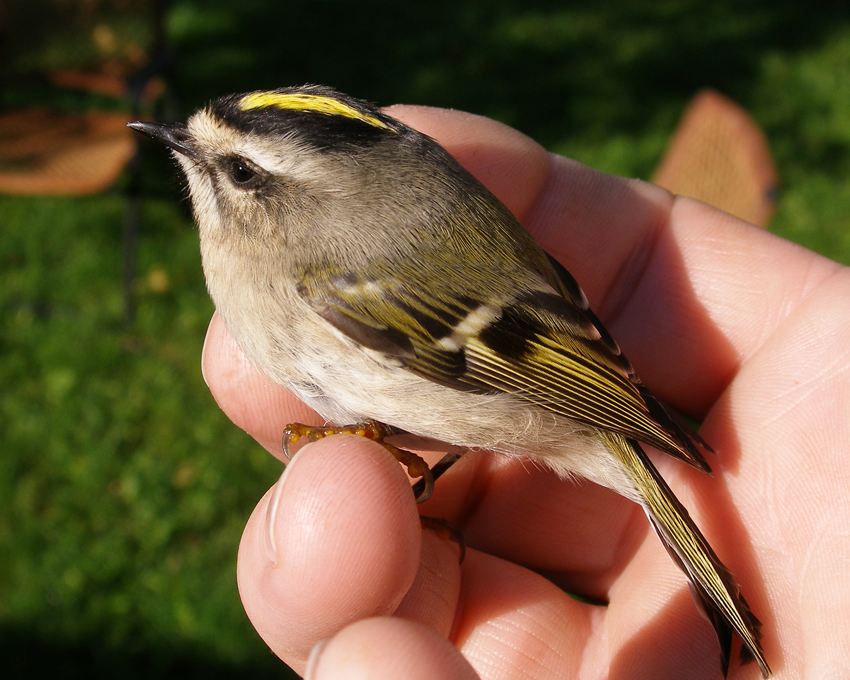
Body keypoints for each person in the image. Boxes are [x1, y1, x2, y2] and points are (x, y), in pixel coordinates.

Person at [200, 104, 850, 679]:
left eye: (240, 173)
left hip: (548, 385)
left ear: (294, 201)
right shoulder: (322, 246)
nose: (189, 154)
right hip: (544, 340)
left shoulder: (329, 273)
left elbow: (515, 360)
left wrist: (630, 408)